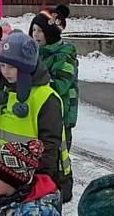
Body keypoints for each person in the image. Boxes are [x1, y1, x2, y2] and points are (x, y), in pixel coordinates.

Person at [0, 31, 71, 202]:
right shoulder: (5, 92)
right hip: (9, 177)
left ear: (26, 66)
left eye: (12, 67)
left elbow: (50, 144)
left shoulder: (45, 98)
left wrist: (37, 179)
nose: (6, 72)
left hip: (37, 181)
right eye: (3, 65)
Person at [29, 12, 78, 149]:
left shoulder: (64, 56)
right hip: (41, 111)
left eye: (40, 31)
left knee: (57, 152)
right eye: (33, 30)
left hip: (61, 115)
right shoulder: (36, 53)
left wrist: (33, 78)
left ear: (50, 32)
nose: (35, 35)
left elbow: (60, 85)